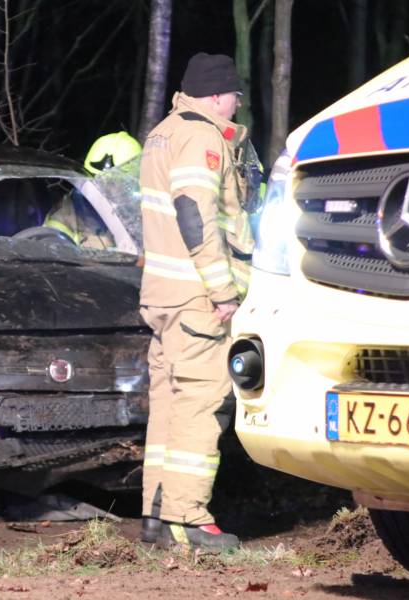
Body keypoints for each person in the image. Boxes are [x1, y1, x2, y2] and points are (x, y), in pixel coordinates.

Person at [138, 52, 260, 550]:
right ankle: (188, 521)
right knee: (202, 403)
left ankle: (157, 516)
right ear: (216, 95)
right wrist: (223, 290)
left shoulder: (163, 132)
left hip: (164, 297)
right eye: (234, 95)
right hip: (197, 298)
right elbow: (195, 212)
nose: (237, 103)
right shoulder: (203, 135)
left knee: (168, 403)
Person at [44, 131, 142, 248]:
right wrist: (88, 251)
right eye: (96, 181)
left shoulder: (141, 210)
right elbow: (50, 251)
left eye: (113, 183)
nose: (104, 189)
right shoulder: (66, 213)